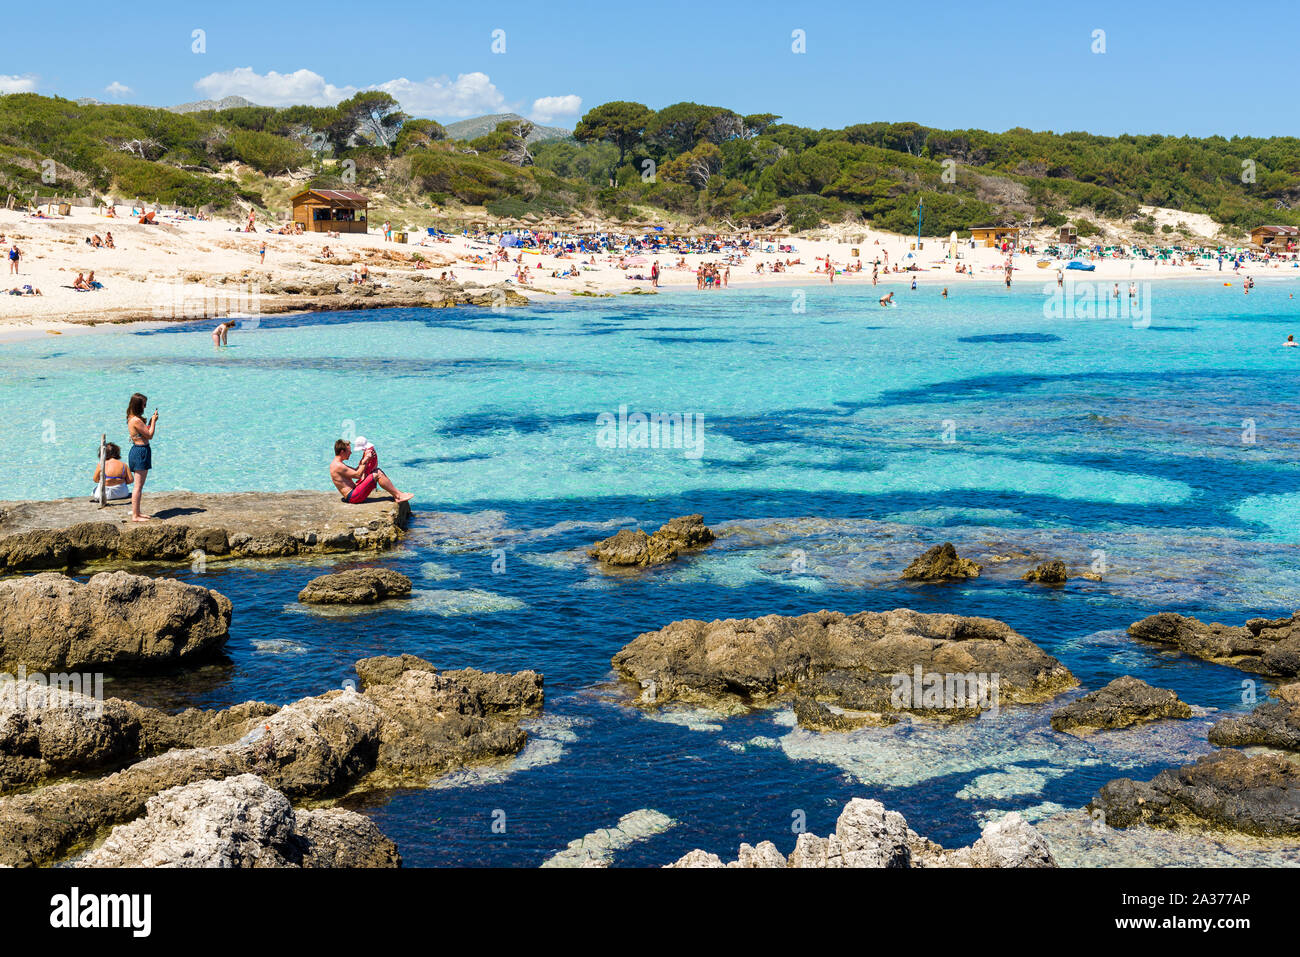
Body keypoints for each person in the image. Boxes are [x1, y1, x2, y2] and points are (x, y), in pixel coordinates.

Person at [330, 437, 412, 504]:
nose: (350, 453)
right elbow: (357, 475)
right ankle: (398, 496)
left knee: (376, 470)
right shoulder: (338, 465)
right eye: (349, 451)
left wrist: (365, 458)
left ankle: (398, 494)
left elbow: (356, 470)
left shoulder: (337, 463)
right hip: (353, 497)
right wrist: (366, 459)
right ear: (342, 451)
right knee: (377, 473)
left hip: (354, 493)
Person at [126, 393, 158, 522]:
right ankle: (135, 515)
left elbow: (143, 433)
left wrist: (150, 421)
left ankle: (137, 512)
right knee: (138, 486)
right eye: (144, 404)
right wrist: (154, 422)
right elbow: (149, 435)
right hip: (140, 452)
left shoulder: (131, 418)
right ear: (139, 405)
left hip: (138, 450)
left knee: (139, 485)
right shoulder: (136, 420)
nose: (145, 407)